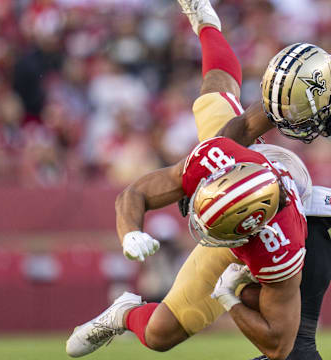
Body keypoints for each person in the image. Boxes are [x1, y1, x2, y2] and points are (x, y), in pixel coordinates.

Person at [65, 2, 309, 359]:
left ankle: (123, 314)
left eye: (217, 230)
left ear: (242, 236)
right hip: (249, 169)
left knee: (161, 335)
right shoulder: (219, 157)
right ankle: (208, 23)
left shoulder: (278, 249)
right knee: (213, 99)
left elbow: (278, 343)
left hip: (279, 219)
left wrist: (230, 297)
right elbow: (135, 192)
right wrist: (129, 231)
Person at [215, 29, 331, 360]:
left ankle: (298, 345)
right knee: (306, 206)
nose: (293, 121)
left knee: (312, 206)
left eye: (298, 111)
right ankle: (299, 344)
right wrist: (211, 169)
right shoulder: (305, 92)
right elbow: (241, 128)